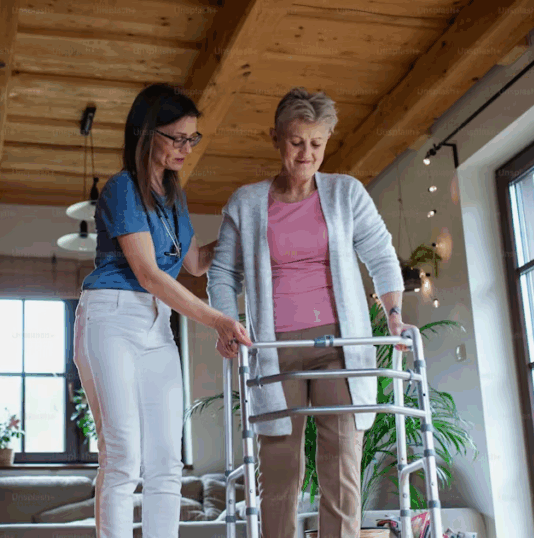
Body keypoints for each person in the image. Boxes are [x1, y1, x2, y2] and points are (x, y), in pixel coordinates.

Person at [207, 87, 414, 538]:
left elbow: (380, 255)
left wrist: (394, 314)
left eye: (317, 144)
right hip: (275, 349)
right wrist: (226, 321)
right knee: (279, 471)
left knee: (341, 461)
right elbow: (222, 272)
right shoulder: (246, 202)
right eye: (297, 141)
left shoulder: (346, 193)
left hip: (340, 346)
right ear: (277, 139)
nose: (307, 154)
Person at [74, 83, 252, 538]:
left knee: (166, 462)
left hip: (157, 326)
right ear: (145, 133)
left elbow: (193, 262)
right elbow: (150, 274)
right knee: (124, 456)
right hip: (110, 318)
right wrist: (218, 319)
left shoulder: (175, 196)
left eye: (192, 139)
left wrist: (245, 236)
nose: (186, 149)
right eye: (176, 138)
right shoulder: (121, 189)